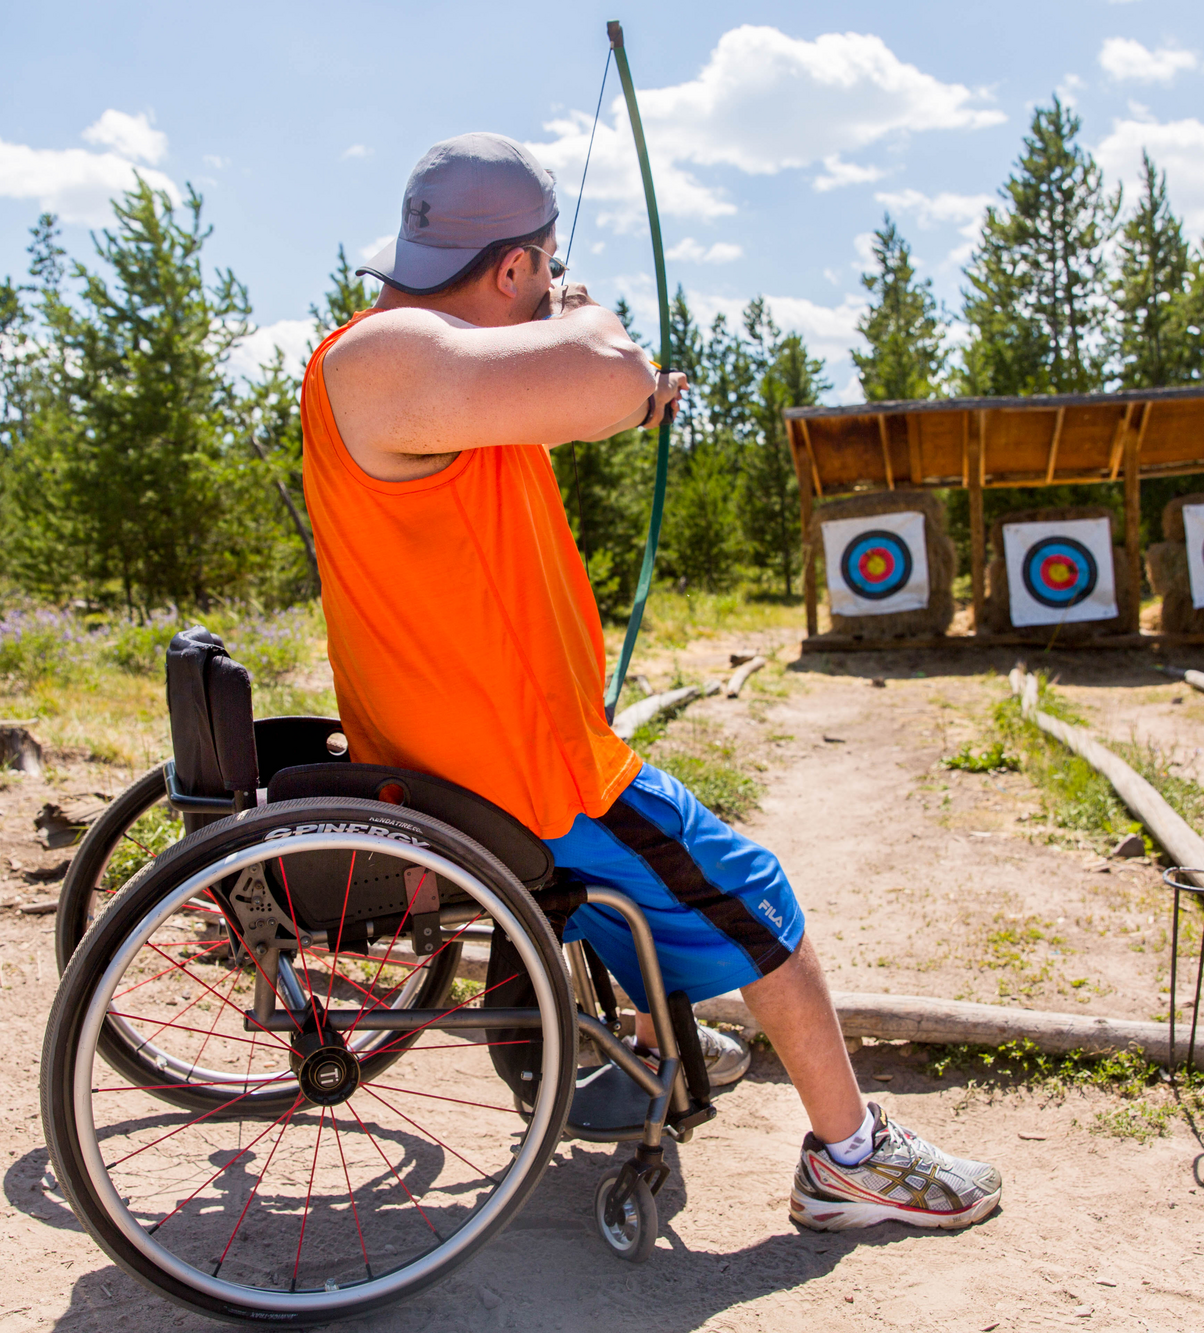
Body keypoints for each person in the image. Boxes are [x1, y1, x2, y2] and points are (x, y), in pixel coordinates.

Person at [300, 131, 1001, 1233]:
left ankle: (636, 1041)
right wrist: (586, 324)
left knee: (654, 887)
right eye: (539, 263)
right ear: (513, 268)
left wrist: (582, 357)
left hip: (483, 748)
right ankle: (850, 1155)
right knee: (758, 897)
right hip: (519, 771)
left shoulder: (424, 366)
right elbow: (610, 376)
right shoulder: (386, 356)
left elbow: (584, 400)